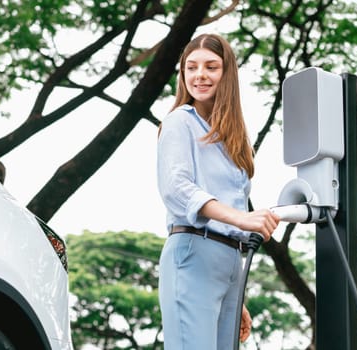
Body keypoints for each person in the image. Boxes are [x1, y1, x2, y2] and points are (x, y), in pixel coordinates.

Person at [156, 33, 280, 349]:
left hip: (229, 263)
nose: (200, 75)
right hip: (193, 252)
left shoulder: (233, 140)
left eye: (211, 67)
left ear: (227, 74)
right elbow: (177, 189)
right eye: (191, 67)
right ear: (182, 74)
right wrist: (243, 219)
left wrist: (235, 292)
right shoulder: (179, 122)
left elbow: (230, 206)